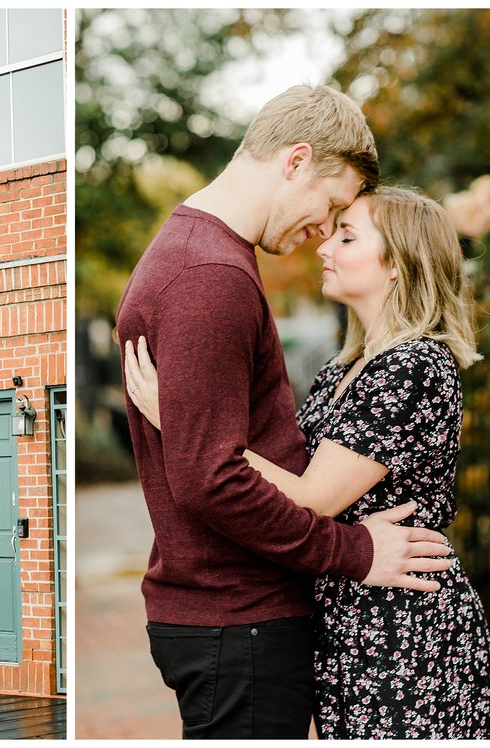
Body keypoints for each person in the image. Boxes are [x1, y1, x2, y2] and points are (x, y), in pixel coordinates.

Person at [114, 84, 454, 739]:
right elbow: (210, 478)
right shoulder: (209, 277)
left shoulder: (202, 257)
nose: (323, 232)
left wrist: (186, 428)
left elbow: (228, 455)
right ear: (295, 161)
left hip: (236, 617)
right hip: (238, 621)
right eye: (331, 206)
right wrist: (352, 551)